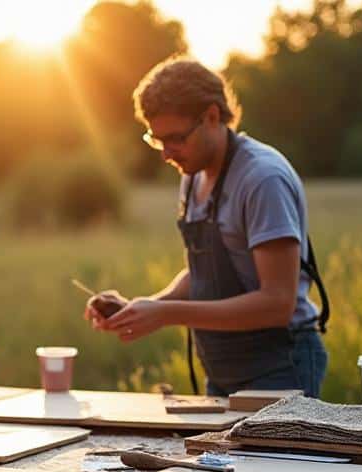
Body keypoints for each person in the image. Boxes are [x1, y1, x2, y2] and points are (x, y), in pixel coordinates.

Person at [86, 57, 330, 397]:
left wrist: (166, 313)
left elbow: (278, 302)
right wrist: (141, 308)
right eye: (156, 140)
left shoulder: (262, 179)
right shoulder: (193, 174)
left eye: (175, 138)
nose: (166, 154)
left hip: (280, 365)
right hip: (222, 368)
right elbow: (203, 272)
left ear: (213, 117)